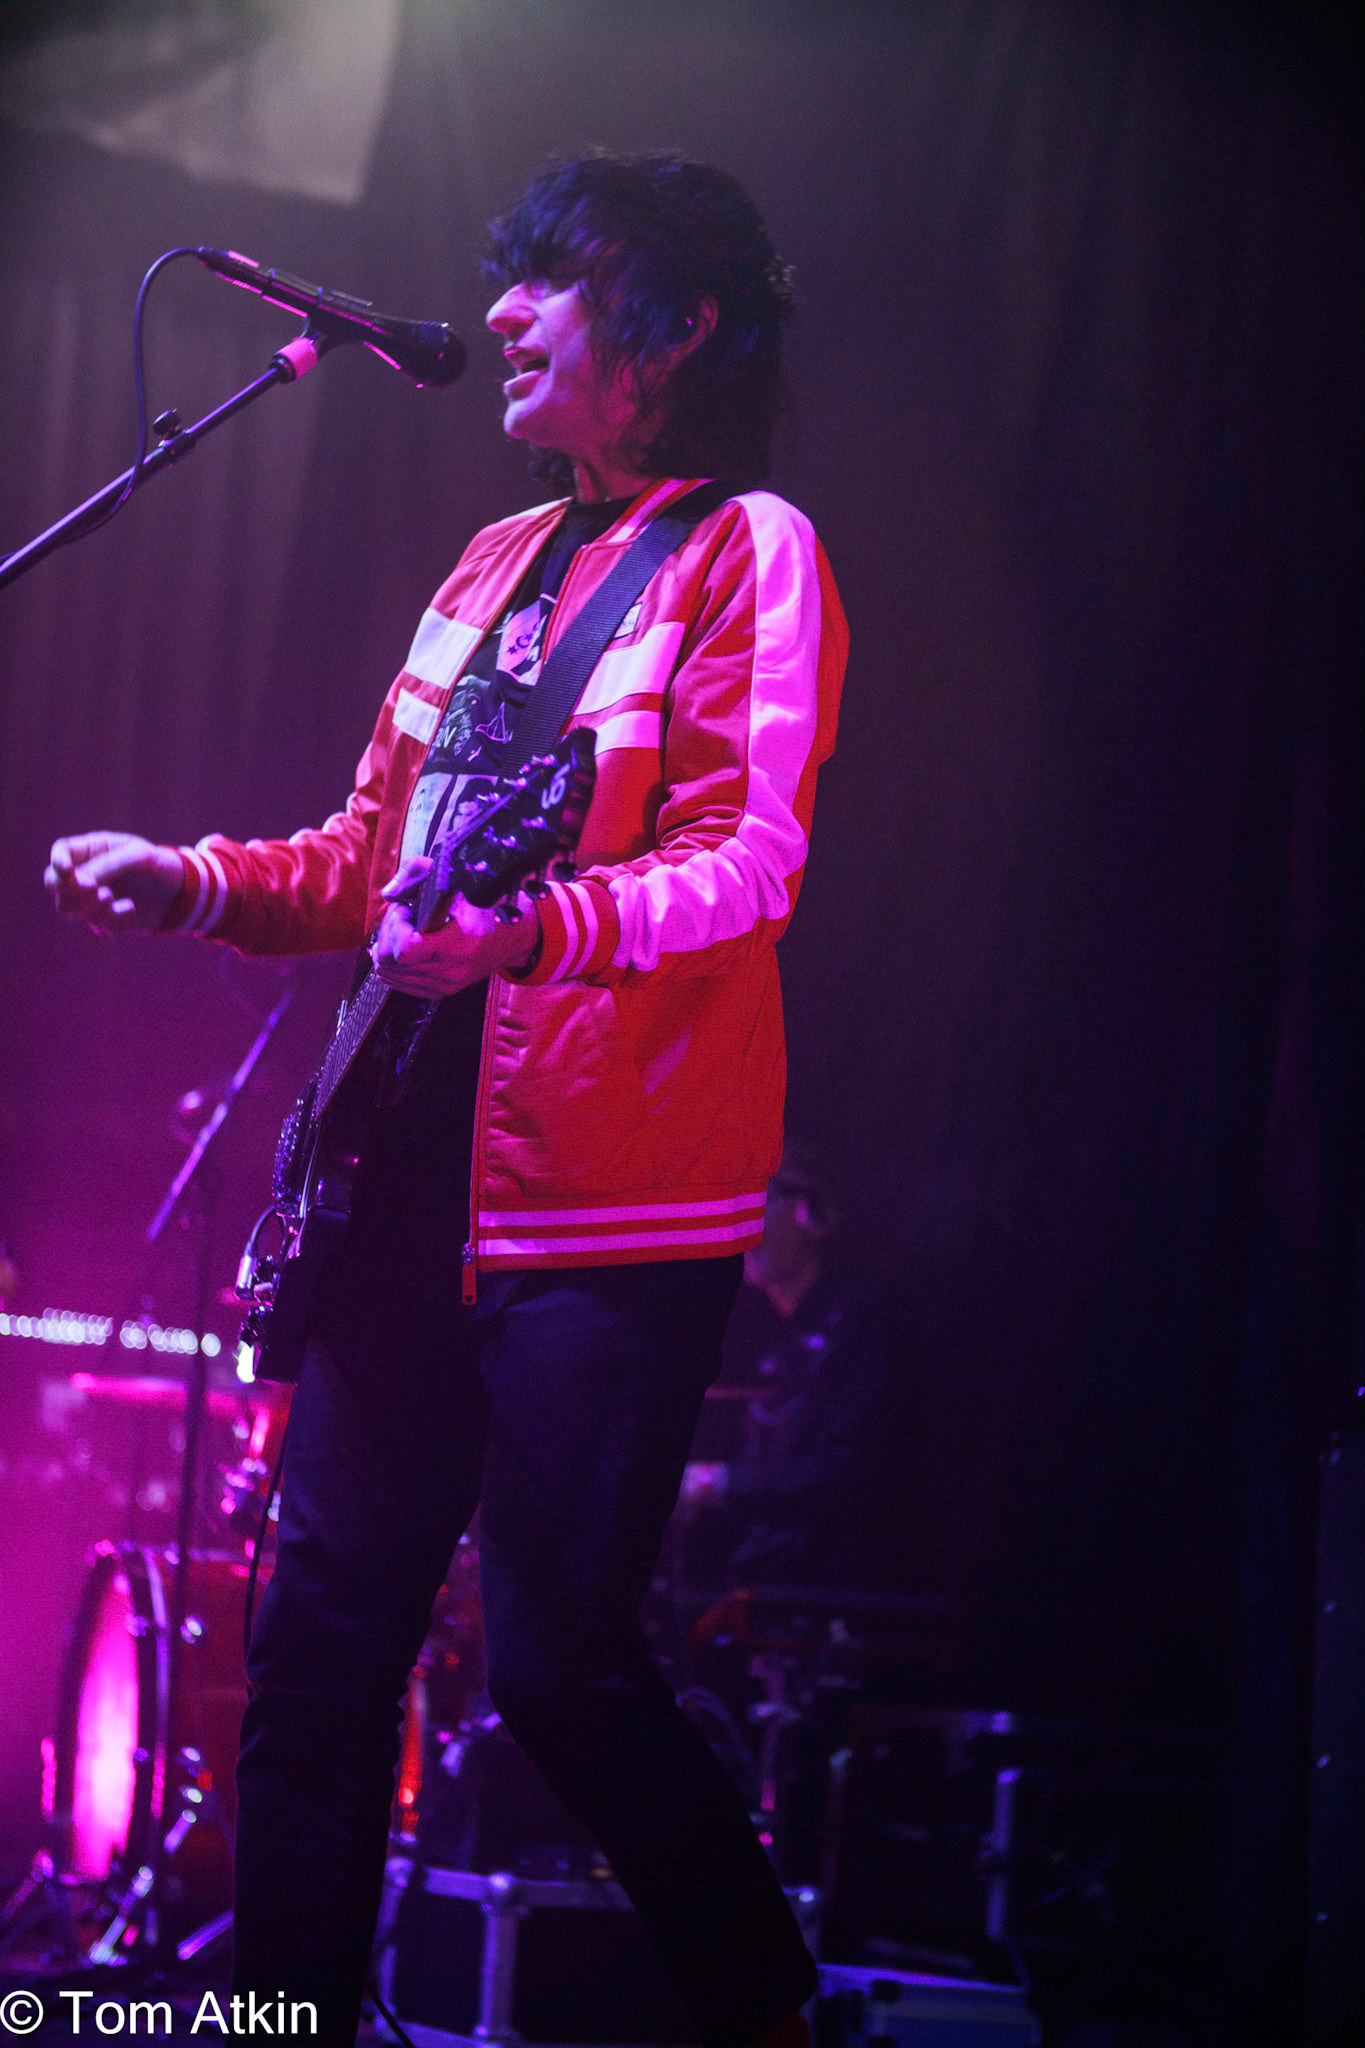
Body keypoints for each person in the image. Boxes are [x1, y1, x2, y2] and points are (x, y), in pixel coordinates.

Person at [46, 152, 847, 2046]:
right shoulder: (489, 568)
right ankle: (285, 2020)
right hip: (399, 1176)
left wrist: (528, 932)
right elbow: (367, 857)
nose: (499, 313)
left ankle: (772, 2016)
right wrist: (197, 880)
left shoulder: (750, 549)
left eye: (550, 279)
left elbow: (747, 865)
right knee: (318, 1653)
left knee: (564, 1673)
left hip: (609, 1204)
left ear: (678, 324)